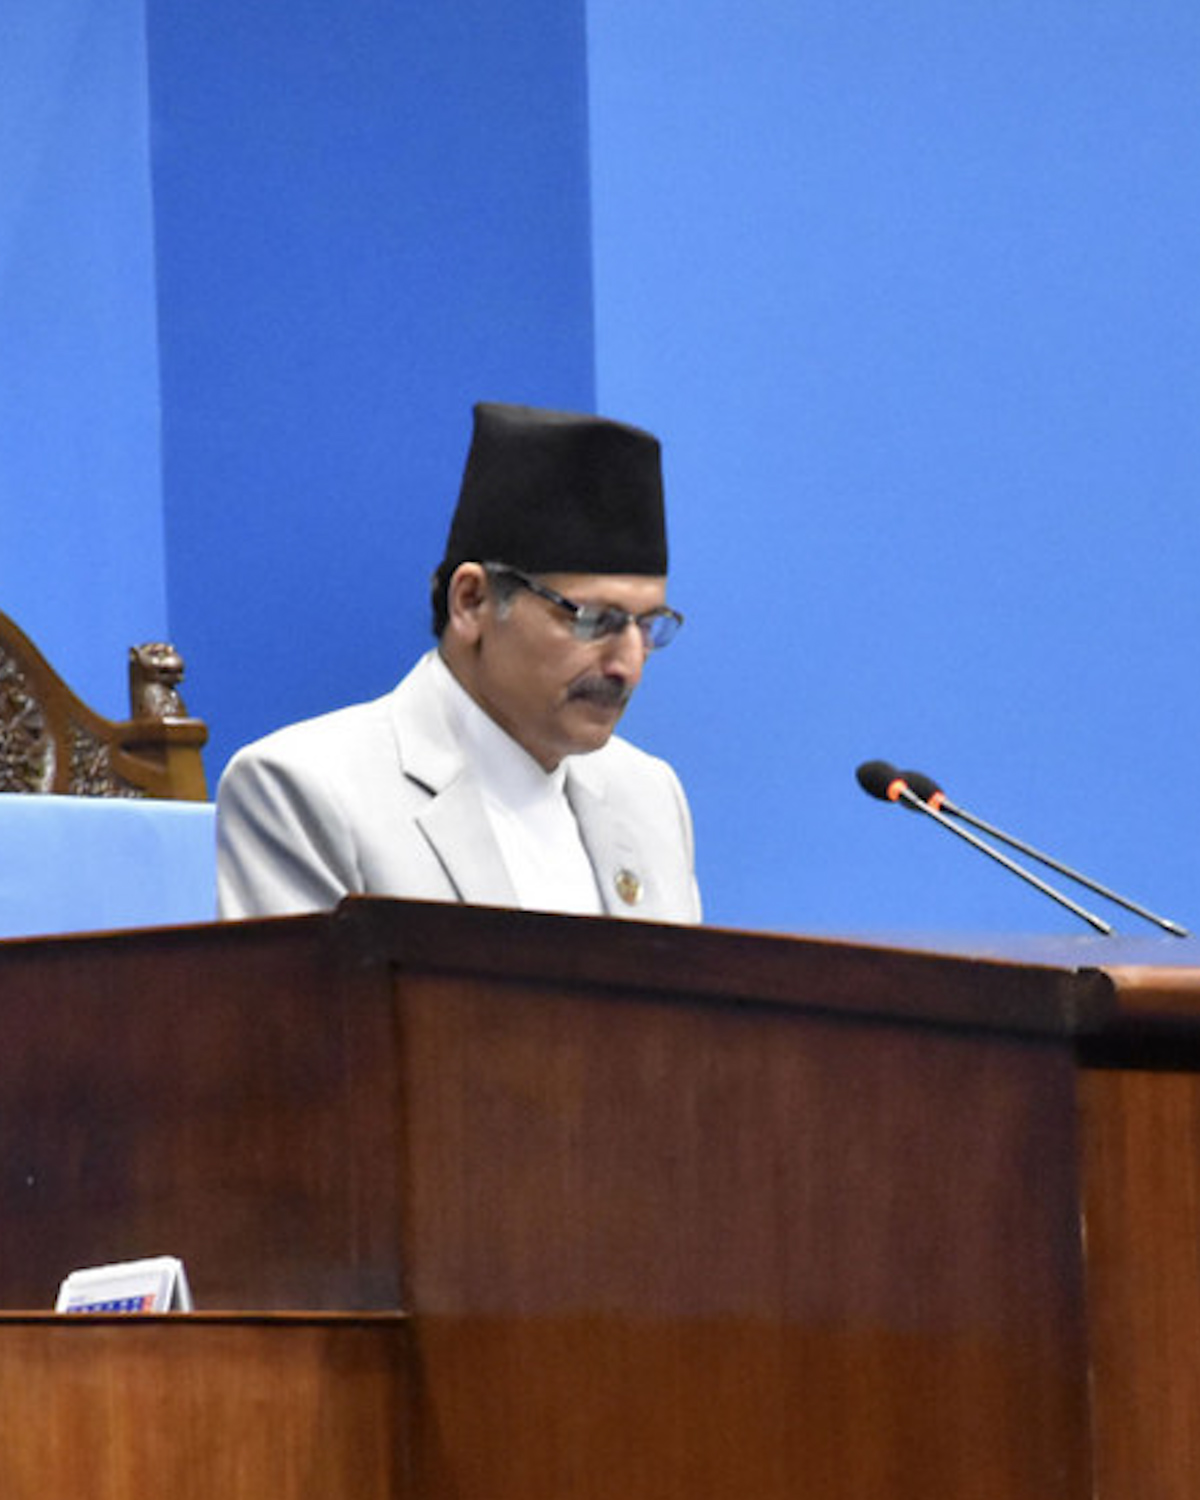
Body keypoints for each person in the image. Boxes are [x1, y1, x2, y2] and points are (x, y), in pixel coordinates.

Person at [216, 401, 701, 923]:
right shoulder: (308, 791)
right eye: (595, 620)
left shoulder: (649, 796)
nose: (627, 666)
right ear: (472, 602)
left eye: (648, 626)